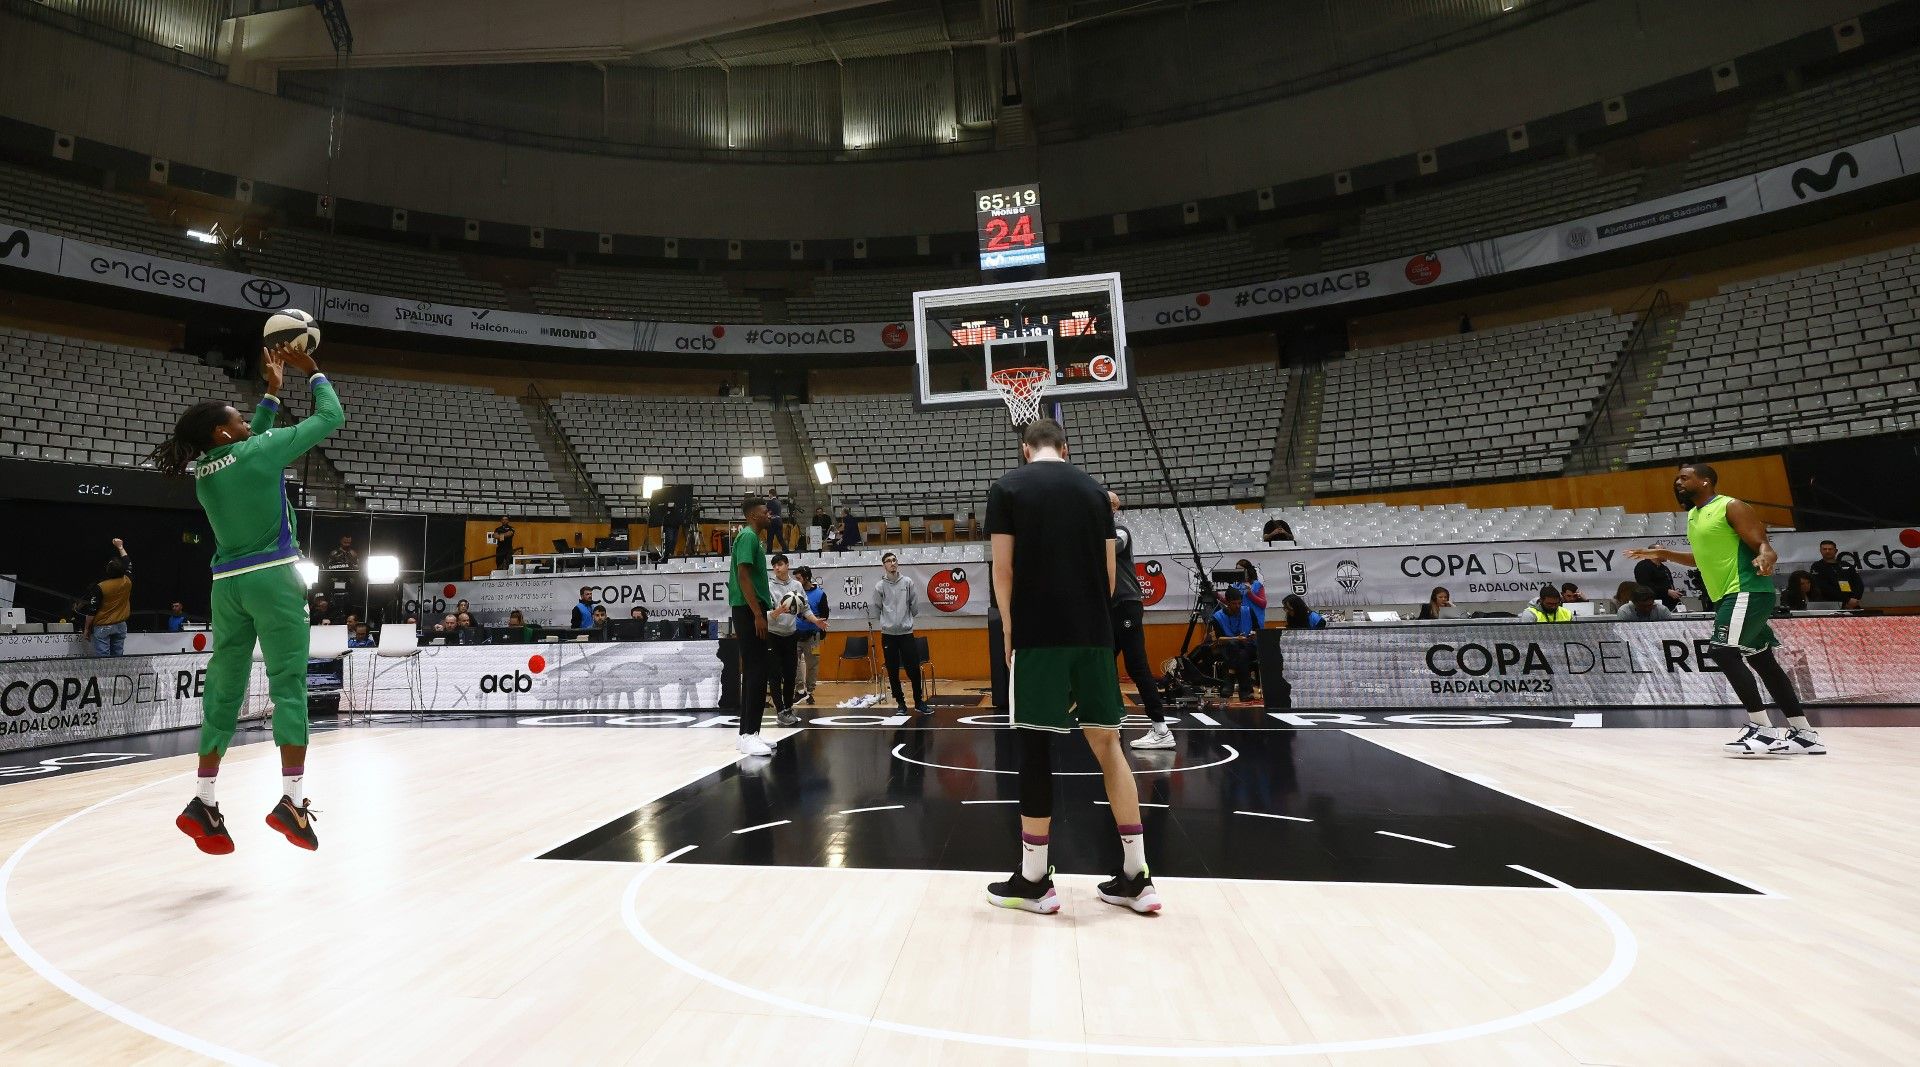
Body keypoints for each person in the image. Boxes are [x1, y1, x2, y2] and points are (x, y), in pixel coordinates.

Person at [150, 339, 340, 854]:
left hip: (226, 585)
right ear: (221, 432)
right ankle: (292, 802)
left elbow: (247, 443)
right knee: (289, 686)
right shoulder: (257, 450)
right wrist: (312, 371)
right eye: (237, 418)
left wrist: (271, 395)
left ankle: (204, 800)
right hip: (274, 578)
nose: (244, 423)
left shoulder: (205, 474)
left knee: (225, 692)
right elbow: (331, 415)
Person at [984, 418, 1157, 915]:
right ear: (1065, 447)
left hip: (1039, 637)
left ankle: (1035, 881)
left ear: (1025, 450)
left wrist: (1011, 632)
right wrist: (1090, 624)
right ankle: (1137, 877)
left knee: (1036, 747)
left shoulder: (1007, 488)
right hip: (1094, 635)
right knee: (1109, 747)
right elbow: (1108, 574)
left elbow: (1004, 569)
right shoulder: (1095, 492)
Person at [1628, 462, 1823, 756]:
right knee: (1762, 661)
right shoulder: (1694, 514)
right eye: (1677, 478)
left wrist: (1765, 558)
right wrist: (1664, 553)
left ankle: (1764, 730)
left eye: (1684, 477)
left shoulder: (1731, 506)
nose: (1678, 482)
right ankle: (1805, 734)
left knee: (1722, 650)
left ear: (1705, 482)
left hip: (1745, 590)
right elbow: (1700, 559)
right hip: (1729, 595)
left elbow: (1763, 545)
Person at [1109, 493, 1171, 750]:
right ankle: (1112, 716)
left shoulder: (1120, 532)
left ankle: (1161, 729)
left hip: (1126, 605)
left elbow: (1102, 551)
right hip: (1109, 608)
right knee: (1102, 661)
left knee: (1136, 666)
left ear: (1113, 508)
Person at [727, 496, 778, 757]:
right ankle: (749, 734)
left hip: (749, 609)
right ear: (753, 515)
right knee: (757, 670)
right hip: (749, 610)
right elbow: (743, 574)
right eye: (764, 510)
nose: (770, 513)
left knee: (756, 670)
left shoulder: (751, 537)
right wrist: (758, 613)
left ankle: (747, 733)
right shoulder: (747, 536)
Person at [767, 554, 826, 727]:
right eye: (774, 565)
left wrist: (816, 621)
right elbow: (766, 614)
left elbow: (805, 609)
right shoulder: (768, 586)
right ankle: (780, 711)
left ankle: (788, 708)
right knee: (775, 675)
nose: (777, 568)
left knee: (791, 674)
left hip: (791, 634)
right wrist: (778, 611)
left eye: (780, 564)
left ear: (787, 565)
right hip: (773, 635)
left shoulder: (797, 585)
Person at [868, 551, 928, 715]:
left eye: (894, 560)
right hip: (888, 635)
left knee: (913, 669)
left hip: (906, 633)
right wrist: (888, 623)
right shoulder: (879, 586)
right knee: (892, 670)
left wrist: (905, 620)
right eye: (888, 561)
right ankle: (901, 703)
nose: (892, 563)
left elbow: (914, 606)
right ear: (884, 565)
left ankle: (919, 701)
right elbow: (877, 609)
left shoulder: (908, 582)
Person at [78, 537, 133, 656]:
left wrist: (87, 629)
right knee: (118, 657)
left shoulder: (101, 587)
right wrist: (120, 547)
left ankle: (105, 676)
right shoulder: (127, 581)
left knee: (103, 660)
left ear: (108, 571)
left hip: (103, 626)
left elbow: (92, 611)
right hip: (121, 625)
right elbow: (128, 562)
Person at [1210, 587, 1260, 701]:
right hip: (1229, 647)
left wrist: (1253, 634)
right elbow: (1220, 639)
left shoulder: (1248, 610)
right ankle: (1245, 691)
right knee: (1236, 649)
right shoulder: (1217, 617)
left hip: (1248, 646)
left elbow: (1257, 629)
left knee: (1241, 652)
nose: (1237, 606)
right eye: (1234, 603)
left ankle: (1229, 681)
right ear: (1227, 603)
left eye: (1239, 603)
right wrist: (1236, 638)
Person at [793, 565, 829, 703]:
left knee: (813, 664)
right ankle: (799, 690)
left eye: (799, 578)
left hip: (813, 636)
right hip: (796, 634)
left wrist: (819, 630)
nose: (796, 581)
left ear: (806, 578)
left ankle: (810, 691)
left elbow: (825, 615)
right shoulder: (795, 592)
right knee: (792, 663)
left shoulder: (820, 594)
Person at [1809, 540, 1864, 609]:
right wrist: (1846, 600)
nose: (1827, 551)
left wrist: (1854, 599)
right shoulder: (1817, 566)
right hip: (1830, 604)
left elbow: (1858, 584)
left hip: (1852, 604)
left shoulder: (1846, 565)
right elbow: (1823, 587)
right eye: (1824, 549)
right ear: (1820, 551)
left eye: (1830, 549)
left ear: (1836, 550)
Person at [1232, 558, 1267, 628]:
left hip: (1255, 622)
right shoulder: (1236, 585)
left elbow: (1263, 604)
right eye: (1237, 570)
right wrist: (1217, 595)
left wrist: (1250, 593)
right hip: (1240, 622)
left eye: (1241, 570)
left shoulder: (1256, 584)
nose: (1238, 572)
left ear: (1248, 571)